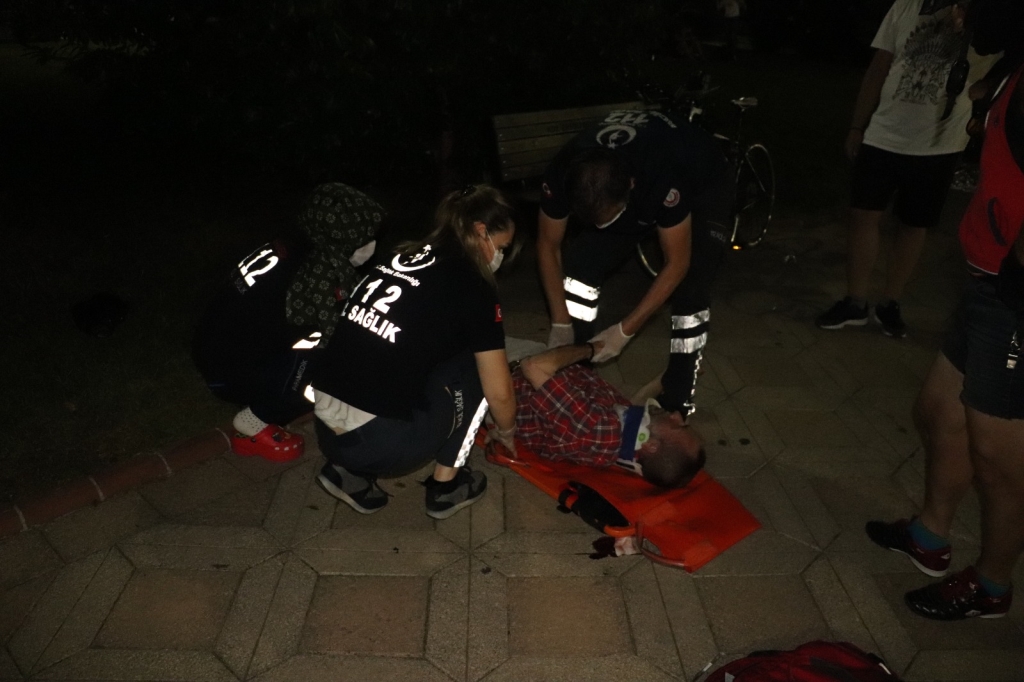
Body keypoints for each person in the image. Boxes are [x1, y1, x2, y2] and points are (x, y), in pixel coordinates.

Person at [864, 37, 1024, 620]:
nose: (961, 14)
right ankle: (930, 537)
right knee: (938, 411)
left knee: (999, 460)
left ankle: (992, 584)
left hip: (1015, 296)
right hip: (989, 279)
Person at [310, 185, 518, 519]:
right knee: (477, 365)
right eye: (502, 246)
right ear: (481, 231)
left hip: (325, 427)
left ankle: (347, 472)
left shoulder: (401, 256)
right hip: (379, 443)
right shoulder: (473, 284)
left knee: (406, 350)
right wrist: (506, 431)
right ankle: (446, 487)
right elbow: (500, 392)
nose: (500, 256)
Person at [816, 0, 1000, 338]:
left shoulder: (985, 12)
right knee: (863, 214)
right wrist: (858, 125)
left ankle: (891, 302)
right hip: (884, 131)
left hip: (940, 141)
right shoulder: (905, 6)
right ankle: (855, 301)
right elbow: (879, 67)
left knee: (914, 224)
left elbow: (1003, 61)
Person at [537, 108, 733, 418]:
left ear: (630, 185)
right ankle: (576, 367)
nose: (602, 228)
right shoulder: (564, 172)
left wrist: (625, 330)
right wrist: (561, 323)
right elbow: (548, 245)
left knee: (691, 290)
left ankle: (677, 398)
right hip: (617, 188)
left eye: (609, 219)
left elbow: (677, 263)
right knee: (582, 266)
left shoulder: (663, 174)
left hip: (704, 180)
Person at [192, 183, 383, 461]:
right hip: (231, 372)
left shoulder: (292, 245)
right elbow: (338, 333)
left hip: (214, 350)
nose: (370, 243)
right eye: (363, 237)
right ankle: (257, 419)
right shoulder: (315, 273)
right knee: (327, 354)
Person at [506, 343, 706, 489]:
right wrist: (674, 373)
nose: (676, 416)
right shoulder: (616, 435)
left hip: (511, 367)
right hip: (540, 365)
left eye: (678, 425)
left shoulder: (595, 429)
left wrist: (591, 349)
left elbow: (532, 367)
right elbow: (634, 402)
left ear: (650, 445)